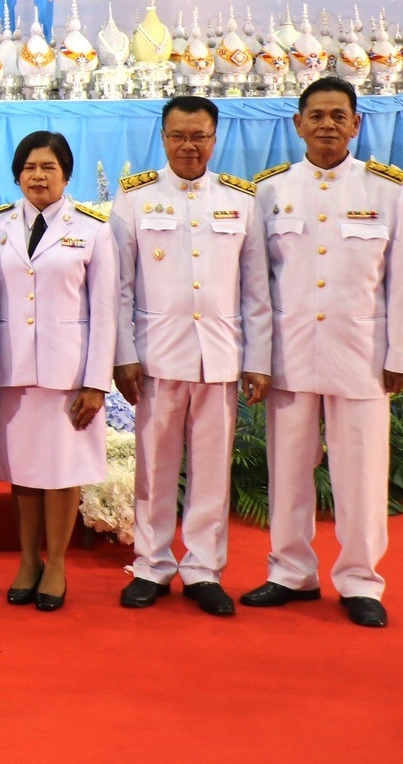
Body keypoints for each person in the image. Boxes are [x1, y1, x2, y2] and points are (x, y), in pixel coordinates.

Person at [243, 77, 403, 628]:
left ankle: (360, 580)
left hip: (362, 355)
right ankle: (290, 571)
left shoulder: (388, 189)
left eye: (338, 116)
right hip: (290, 355)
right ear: (298, 123)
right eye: (316, 115)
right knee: (288, 469)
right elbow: (257, 284)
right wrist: (257, 359)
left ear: (356, 124)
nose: (327, 125)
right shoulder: (270, 190)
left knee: (362, 472)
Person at [108, 98, 270, 618]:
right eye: (178, 136)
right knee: (154, 466)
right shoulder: (135, 198)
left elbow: (256, 290)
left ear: (214, 139)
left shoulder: (240, 200)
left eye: (199, 136)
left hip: (220, 354)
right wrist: (123, 353)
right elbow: (119, 286)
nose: (188, 146)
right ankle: (151, 564)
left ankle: (203, 569)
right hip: (156, 355)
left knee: (212, 468)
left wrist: (258, 359)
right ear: (163, 138)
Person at [0, 131, 116, 613]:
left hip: (68, 374)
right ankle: (27, 560)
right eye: (29, 167)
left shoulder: (94, 229)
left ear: (66, 174)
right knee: (23, 472)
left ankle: (55, 562)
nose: (38, 176)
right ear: (17, 174)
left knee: (62, 472)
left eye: (48, 167)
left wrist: (96, 382)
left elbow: (106, 310)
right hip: (12, 370)